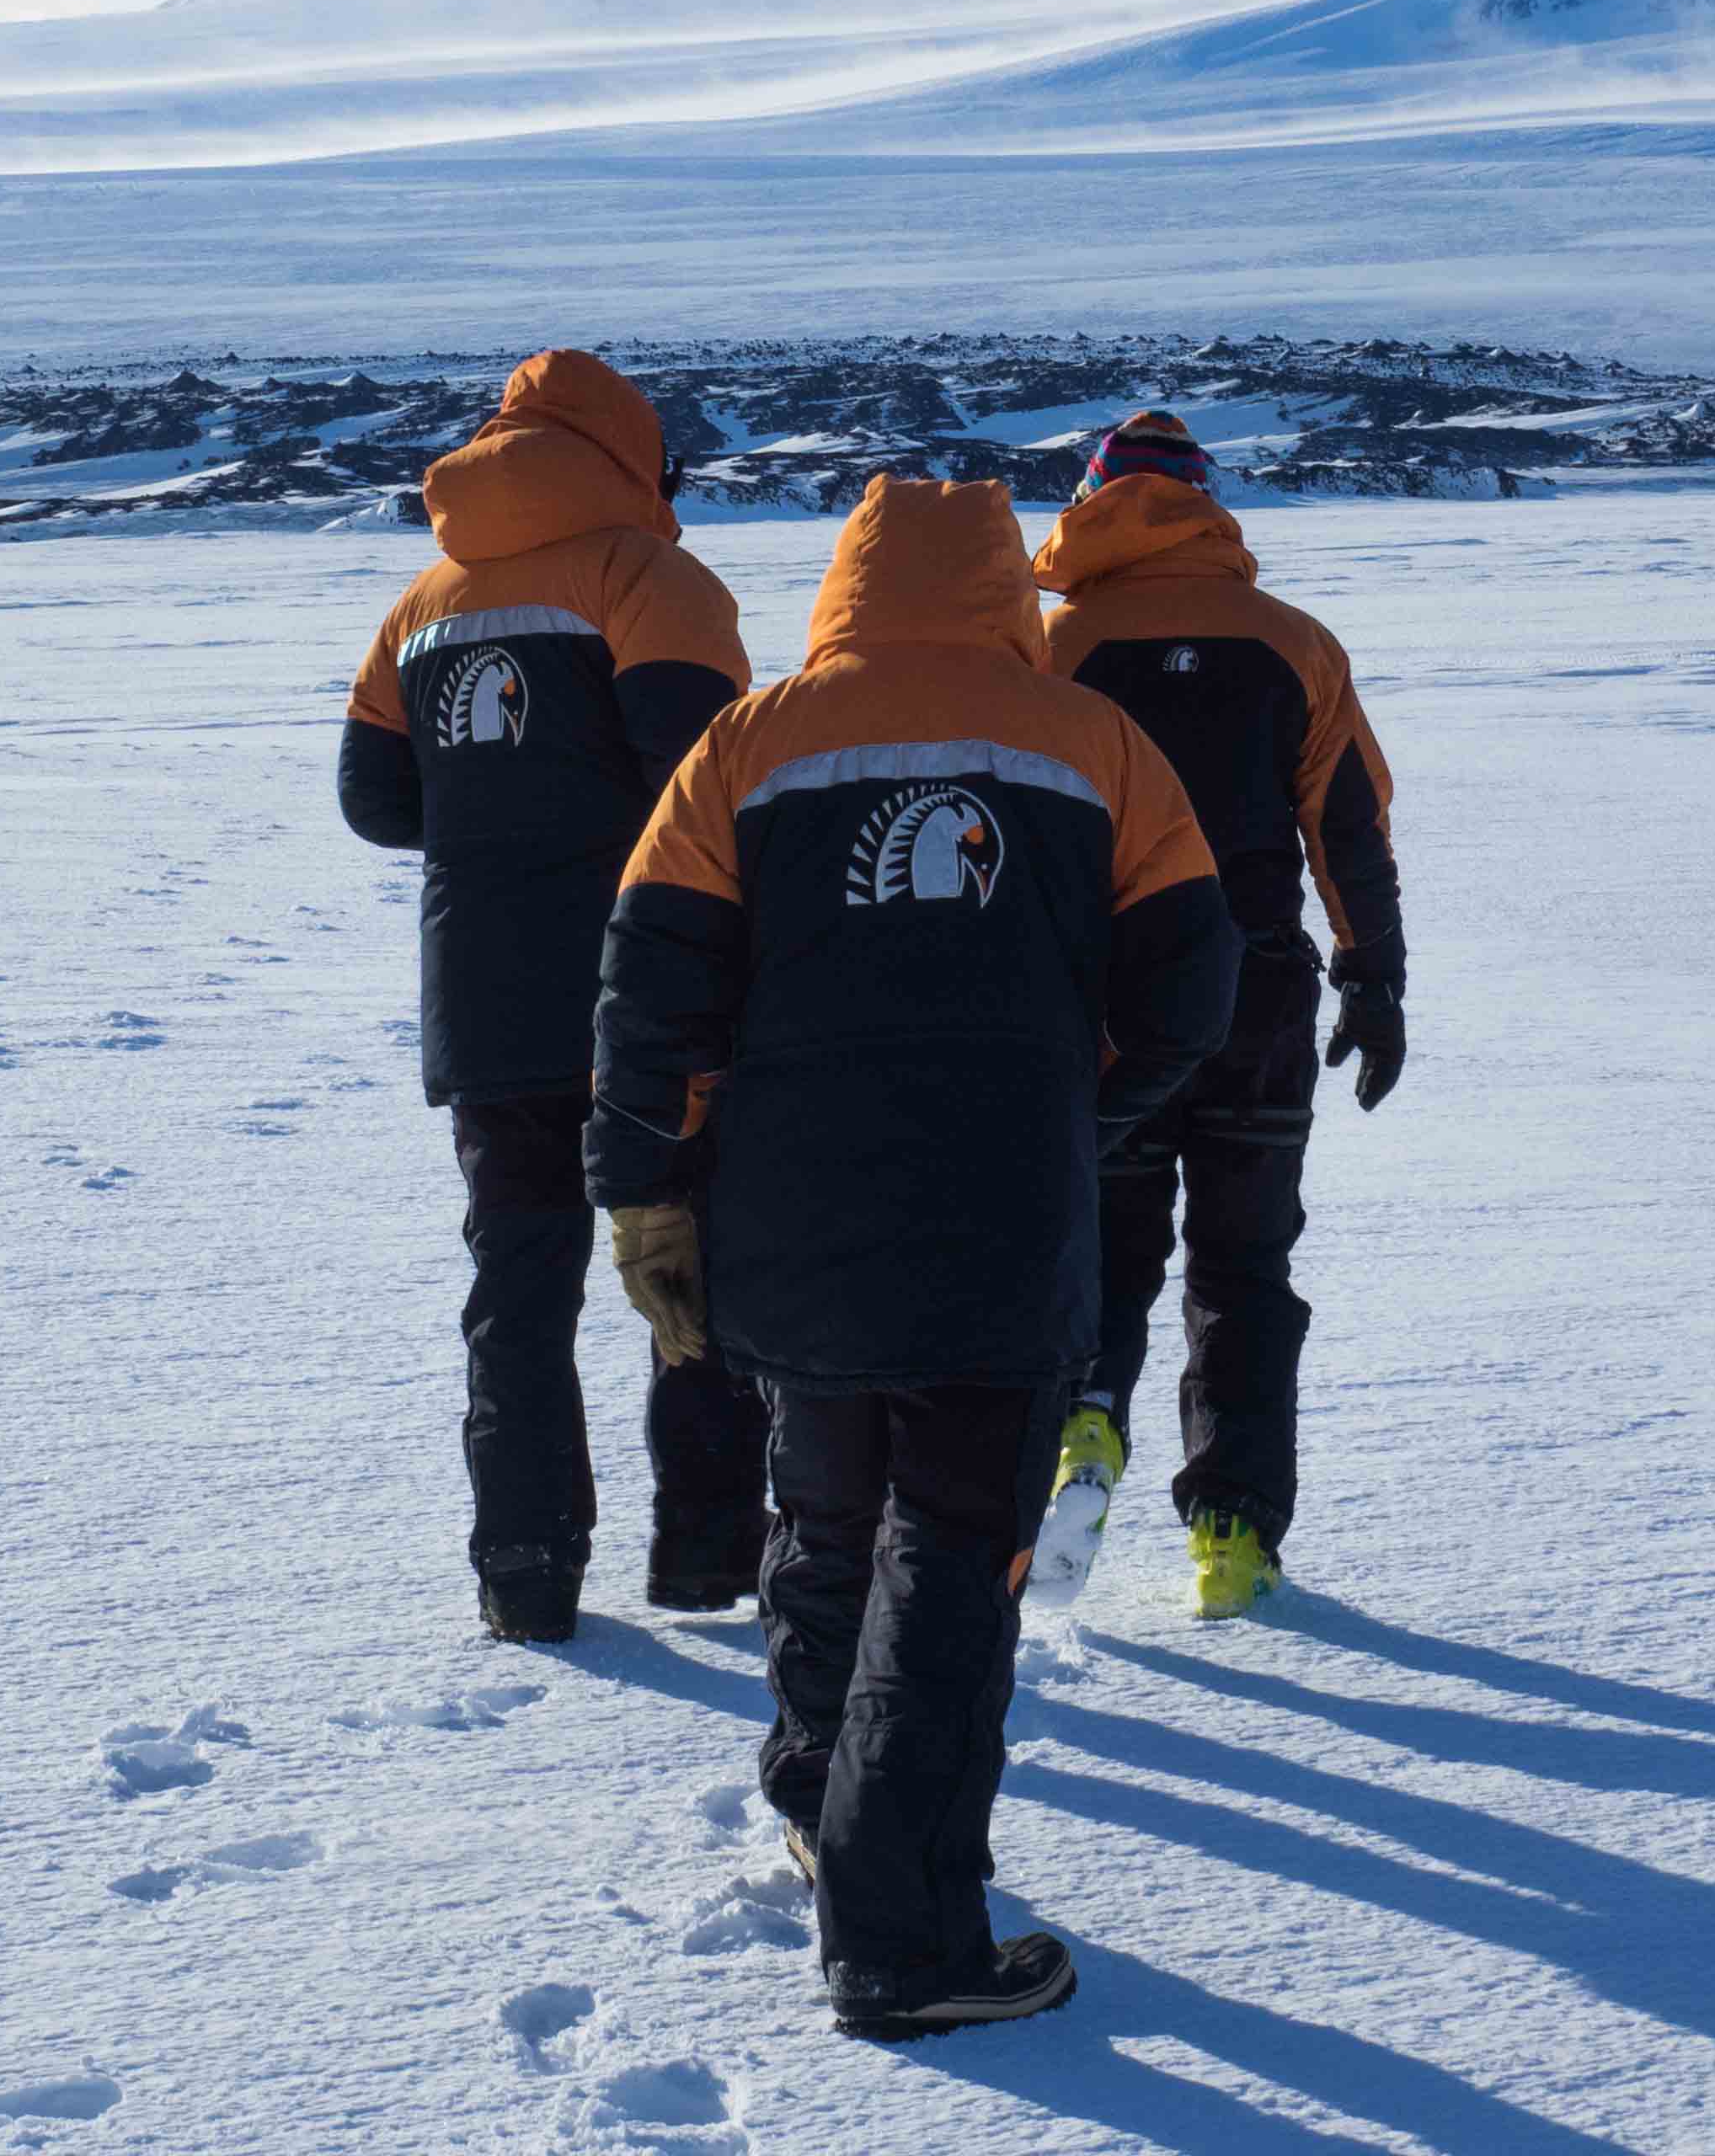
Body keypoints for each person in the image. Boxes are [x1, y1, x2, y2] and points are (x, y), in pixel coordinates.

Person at [587, 474, 1237, 2038]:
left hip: (790, 1227)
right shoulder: (1100, 745)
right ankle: (906, 1942)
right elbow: (1193, 985)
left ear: (848, 584)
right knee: (954, 1559)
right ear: (1009, 586)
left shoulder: (744, 741)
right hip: (1003, 1231)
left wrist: (649, 1200)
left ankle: (825, 1804)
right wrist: (1076, 1121)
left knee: (822, 1513)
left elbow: (647, 996)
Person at [334, 349, 767, 1644]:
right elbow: (707, 779)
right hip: (652, 992)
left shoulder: (421, 602)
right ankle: (706, 1562)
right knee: (689, 1276)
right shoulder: (651, 579)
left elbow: (374, 800)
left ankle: (524, 1576)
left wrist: (501, 826)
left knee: (517, 1290)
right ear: (634, 454)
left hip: (484, 1001)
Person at [1023, 409, 1407, 1621]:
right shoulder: (1291, 641)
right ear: (1205, 500)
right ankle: (1234, 1533)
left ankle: (1084, 1430)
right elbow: (1349, 829)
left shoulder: (1056, 643)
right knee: (1244, 1264)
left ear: (1092, 499)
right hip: (1257, 991)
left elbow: (1016, 826)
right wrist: (1374, 977)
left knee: (1102, 1247)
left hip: (1108, 999)